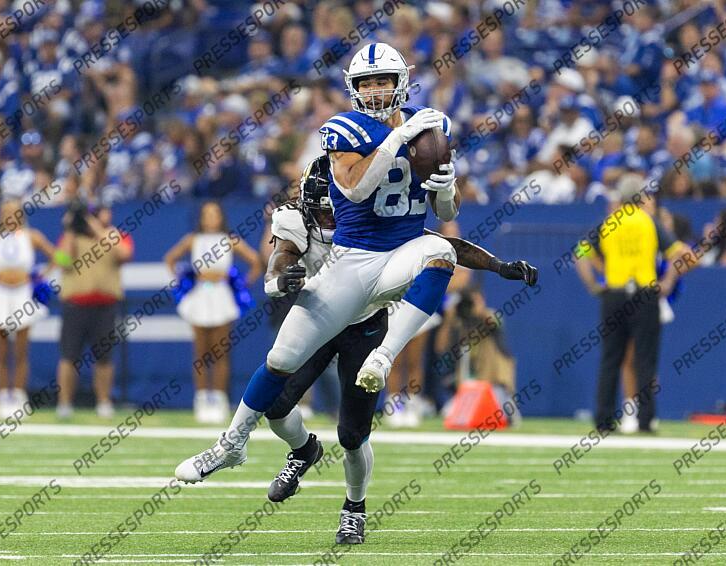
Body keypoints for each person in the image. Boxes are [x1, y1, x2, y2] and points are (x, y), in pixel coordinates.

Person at [174, 155, 538, 545]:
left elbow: (442, 244)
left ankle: (354, 508)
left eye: (337, 209)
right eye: (324, 210)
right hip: (318, 315)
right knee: (276, 405)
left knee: (352, 435)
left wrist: (498, 266)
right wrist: (283, 279)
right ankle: (302, 451)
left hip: (365, 325)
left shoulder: (374, 217)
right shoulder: (295, 218)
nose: (331, 220)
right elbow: (279, 261)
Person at [575, 174, 692, 433]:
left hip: (614, 293)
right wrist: (669, 281)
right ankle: (646, 419)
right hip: (644, 293)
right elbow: (677, 253)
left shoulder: (610, 222)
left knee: (610, 359)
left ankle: (604, 419)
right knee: (645, 359)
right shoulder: (649, 222)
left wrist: (595, 285)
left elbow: (580, 254)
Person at [163, 201, 262, 423]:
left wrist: (242, 284)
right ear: (200, 217)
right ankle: (201, 400)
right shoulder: (193, 239)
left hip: (221, 296)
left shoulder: (230, 240)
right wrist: (184, 280)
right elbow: (170, 259)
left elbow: (256, 261)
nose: (210, 218)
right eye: (206, 214)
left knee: (219, 352)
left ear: (221, 217)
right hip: (200, 295)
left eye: (215, 213)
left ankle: (218, 400)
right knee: (200, 352)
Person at [55, 202, 133, 419]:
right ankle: (64, 404)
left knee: (104, 358)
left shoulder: (115, 235)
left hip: (105, 306)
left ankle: (104, 401)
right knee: (69, 356)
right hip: (75, 305)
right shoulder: (72, 238)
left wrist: (97, 229)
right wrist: (71, 230)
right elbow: (61, 261)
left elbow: (124, 255)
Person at [0, 201, 56, 418]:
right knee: (1, 349)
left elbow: (57, 256)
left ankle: (18, 394)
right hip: (0, 295)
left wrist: (41, 275)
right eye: (5, 212)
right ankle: (2, 396)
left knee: (22, 350)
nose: (10, 216)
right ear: (0, 215)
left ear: (21, 215)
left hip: (22, 294)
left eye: (14, 212)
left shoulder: (31, 236)